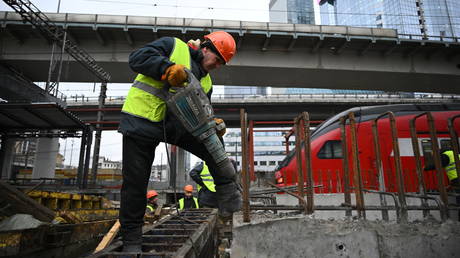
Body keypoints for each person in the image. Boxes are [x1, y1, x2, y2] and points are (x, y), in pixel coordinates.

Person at [118, 31, 241, 252]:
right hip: (142, 119)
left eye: (223, 63)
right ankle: (131, 240)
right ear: (206, 48)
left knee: (213, 143)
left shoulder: (207, 81)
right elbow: (137, 58)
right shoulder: (173, 46)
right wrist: (166, 69)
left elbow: (203, 112)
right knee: (135, 184)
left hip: (176, 127)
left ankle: (226, 191)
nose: (218, 65)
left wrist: (214, 124)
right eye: (218, 59)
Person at [424, 148, 460, 220]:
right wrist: (450, 186)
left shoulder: (446, 156)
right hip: (456, 181)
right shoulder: (455, 154)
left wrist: (426, 168)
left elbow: (438, 165)